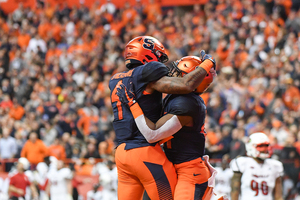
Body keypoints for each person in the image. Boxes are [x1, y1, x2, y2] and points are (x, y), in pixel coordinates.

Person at [109, 36, 216, 200]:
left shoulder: (117, 78)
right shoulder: (163, 87)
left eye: (179, 73)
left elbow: (153, 133)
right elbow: (185, 85)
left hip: (127, 152)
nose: (171, 73)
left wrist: (132, 103)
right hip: (146, 154)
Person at [230, 132, 284, 200]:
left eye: (266, 146)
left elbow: (278, 196)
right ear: (250, 147)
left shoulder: (275, 165)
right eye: (261, 146)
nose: (264, 149)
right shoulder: (242, 163)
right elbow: (234, 192)